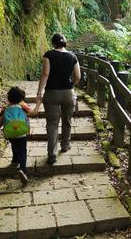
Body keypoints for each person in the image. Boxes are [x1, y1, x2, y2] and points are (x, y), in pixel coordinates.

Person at [36, 33, 81, 164]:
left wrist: (39, 92)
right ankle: (65, 146)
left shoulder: (48, 55)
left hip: (51, 93)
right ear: (64, 43)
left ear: (53, 43)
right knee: (67, 121)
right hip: (68, 93)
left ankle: (52, 154)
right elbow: (77, 77)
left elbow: (45, 74)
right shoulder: (73, 56)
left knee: (52, 124)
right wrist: (70, 86)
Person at [0, 86, 40, 185]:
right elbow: (34, 112)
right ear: (21, 98)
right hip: (22, 133)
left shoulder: (6, 108)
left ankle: (15, 160)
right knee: (23, 151)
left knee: (14, 146)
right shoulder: (23, 106)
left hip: (10, 133)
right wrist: (38, 103)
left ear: (9, 97)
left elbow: (0, 120)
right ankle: (23, 170)